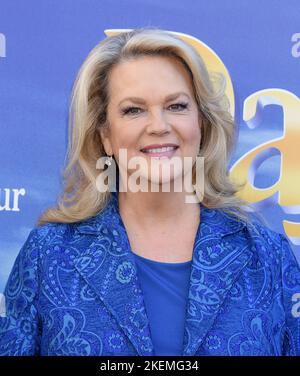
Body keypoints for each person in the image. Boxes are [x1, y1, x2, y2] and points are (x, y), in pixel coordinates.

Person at [0, 27, 299, 356]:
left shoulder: (268, 257)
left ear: (202, 123)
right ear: (105, 135)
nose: (158, 125)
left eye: (177, 106)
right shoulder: (47, 257)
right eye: (133, 110)